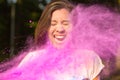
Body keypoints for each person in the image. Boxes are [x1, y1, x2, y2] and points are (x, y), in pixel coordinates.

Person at [0, 0, 104, 80]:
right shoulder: (32, 59)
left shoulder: (90, 59)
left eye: (65, 23)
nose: (59, 29)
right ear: (46, 29)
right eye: (53, 23)